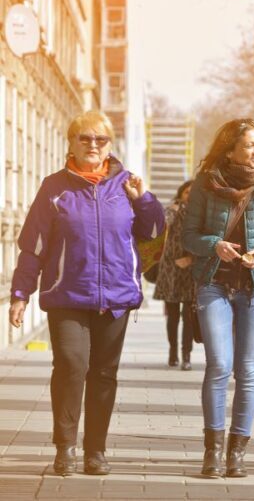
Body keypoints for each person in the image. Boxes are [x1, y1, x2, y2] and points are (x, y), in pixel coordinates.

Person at [8, 110, 165, 476]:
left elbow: (155, 229)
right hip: (66, 295)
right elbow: (33, 245)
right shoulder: (54, 187)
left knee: (104, 373)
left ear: (110, 144)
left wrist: (143, 199)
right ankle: (65, 447)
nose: (93, 145)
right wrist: (20, 293)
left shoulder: (127, 184)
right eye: (85, 138)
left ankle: (96, 451)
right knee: (70, 365)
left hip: (115, 296)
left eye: (101, 139)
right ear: (72, 141)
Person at [182, 118, 254, 478]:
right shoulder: (206, 183)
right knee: (219, 366)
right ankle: (212, 451)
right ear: (230, 150)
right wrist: (215, 246)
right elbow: (188, 235)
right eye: (248, 145)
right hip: (215, 284)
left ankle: (237, 452)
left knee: (248, 370)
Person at [153, 180, 195, 370]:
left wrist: (191, 259)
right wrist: (173, 208)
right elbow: (162, 224)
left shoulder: (199, 213)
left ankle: (187, 355)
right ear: (180, 194)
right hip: (171, 269)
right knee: (172, 315)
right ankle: (173, 352)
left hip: (191, 269)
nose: (190, 196)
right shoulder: (173, 210)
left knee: (189, 315)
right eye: (187, 192)